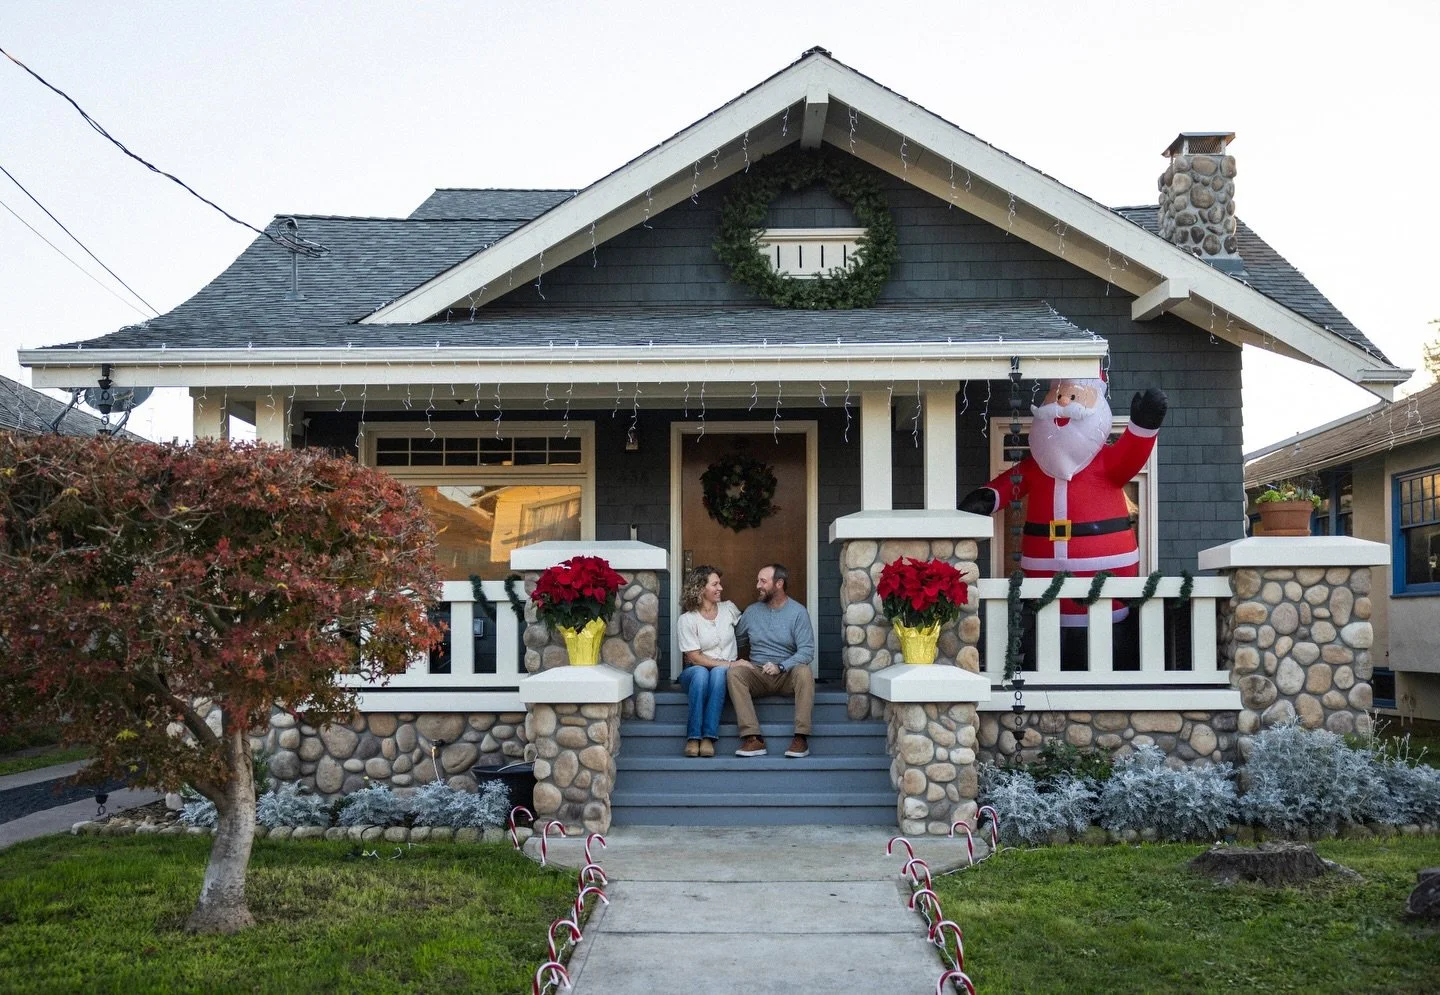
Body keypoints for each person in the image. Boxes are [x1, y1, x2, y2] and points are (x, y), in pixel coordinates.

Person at [960, 377, 1166, 663]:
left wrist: (1144, 426)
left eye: (1073, 396)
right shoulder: (1036, 468)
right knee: (1043, 656)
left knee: (1110, 657)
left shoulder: (1107, 462)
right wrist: (989, 496)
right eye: (1057, 396)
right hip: (1044, 597)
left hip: (1108, 601)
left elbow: (1132, 454)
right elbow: (1010, 484)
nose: (1063, 403)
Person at [728, 563, 815, 758]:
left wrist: (781, 666)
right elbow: (734, 641)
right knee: (735, 673)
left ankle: (801, 738)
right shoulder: (751, 612)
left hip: (787, 673)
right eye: (758, 580)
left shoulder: (798, 612)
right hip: (758, 673)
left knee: (804, 671)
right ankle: (753, 738)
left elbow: (807, 651)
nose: (757, 585)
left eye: (763, 581)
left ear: (779, 584)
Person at [675, 565, 743, 758]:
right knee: (700, 672)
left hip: (722, 673)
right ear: (700, 588)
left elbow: (749, 628)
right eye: (715, 584)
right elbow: (694, 657)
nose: (720, 588)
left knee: (719, 673)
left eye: (719, 583)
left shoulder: (729, 609)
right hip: (695, 673)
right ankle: (693, 737)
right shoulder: (687, 620)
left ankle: (708, 737)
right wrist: (731, 664)